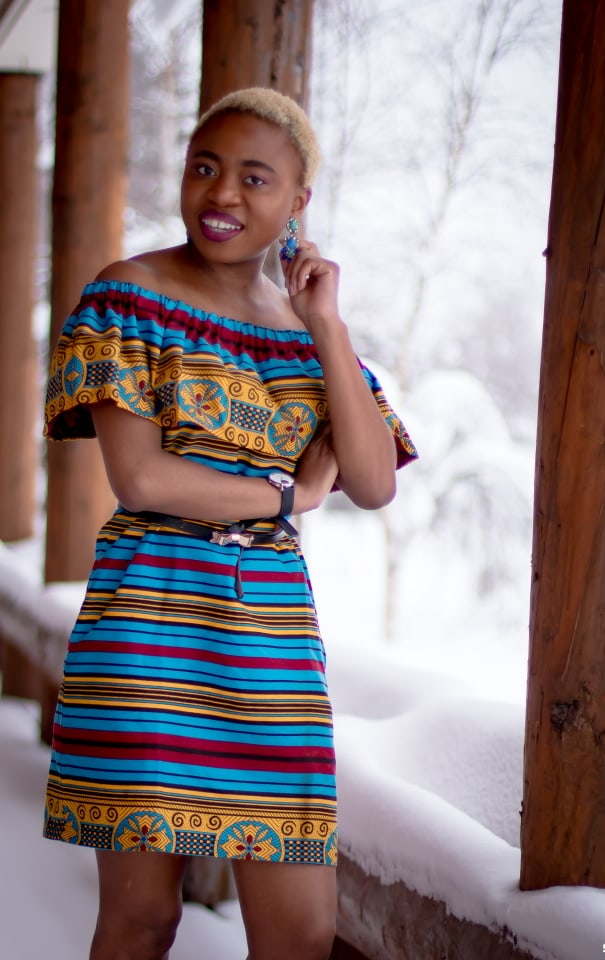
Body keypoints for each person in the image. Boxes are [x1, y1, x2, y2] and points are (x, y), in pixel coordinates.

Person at [42, 87, 417, 960]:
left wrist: (325, 324)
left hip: (273, 648)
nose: (223, 196)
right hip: (148, 628)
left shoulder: (306, 333)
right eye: (205, 169)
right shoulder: (128, 295)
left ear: (298, 203)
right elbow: (140, 479)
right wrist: (289, 497)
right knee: (143, 921)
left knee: (301, 935)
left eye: (256, 178)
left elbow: (371, 482)